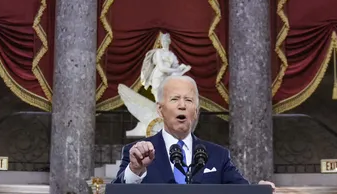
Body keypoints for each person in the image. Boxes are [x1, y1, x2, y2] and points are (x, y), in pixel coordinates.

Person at [114, 74, 272, 187]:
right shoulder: (137, 154)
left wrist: (259, 192)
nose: (182, 105)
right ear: (160, 110)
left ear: (196, 111)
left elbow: (242, 193)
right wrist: (135, 170)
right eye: (175, 99)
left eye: (188, 100)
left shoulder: (218, 156)